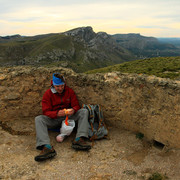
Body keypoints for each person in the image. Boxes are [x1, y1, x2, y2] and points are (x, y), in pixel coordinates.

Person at [34, 73, 91, 162]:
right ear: (53, 85)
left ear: (64, 84)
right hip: (55, 119)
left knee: (84, 111)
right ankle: (46, 147)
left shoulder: (69, 91)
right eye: (58, 87)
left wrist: (73, 109)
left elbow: (76, 105)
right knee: (39, 119)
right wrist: (56, 114)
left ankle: (79, 139)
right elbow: (46, 112)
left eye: (62, 86)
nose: (60, 88)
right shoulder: (48, 94)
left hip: (68, 118)